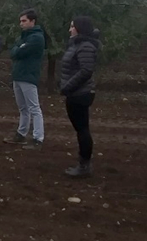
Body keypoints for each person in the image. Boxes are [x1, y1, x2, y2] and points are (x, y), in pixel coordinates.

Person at [60, 16, 100, 177]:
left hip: (80, 93)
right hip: (75, 92)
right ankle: (83, 164)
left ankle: (84, 166)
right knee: (81, 129)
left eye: (72, 27)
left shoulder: (85, 47)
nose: (70, 29)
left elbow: (85, 71)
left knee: (83, 129)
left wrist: (67, 87)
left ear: (80, 28)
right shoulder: (77, 45)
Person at [3, 9, 46, 150]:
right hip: (19, 75)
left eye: (24, 21)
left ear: (32, 21)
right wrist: (17, 49)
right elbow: (14, 51)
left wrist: (18, 49)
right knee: (23, 108)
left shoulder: (36, 38)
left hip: (28, 76)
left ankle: (38, 138)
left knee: (34, 108)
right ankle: (21, 134)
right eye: (20, 21)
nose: (21, 24)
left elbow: (19, 52)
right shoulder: (24, 37)